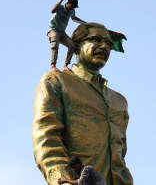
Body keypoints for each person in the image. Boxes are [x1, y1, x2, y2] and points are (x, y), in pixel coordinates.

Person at [33, 23, 133, 185]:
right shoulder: (55, 81)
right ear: (76, 46)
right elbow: (47, 143)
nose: (104, 47)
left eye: (108, 43)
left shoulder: (119, 101)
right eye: (96, 40)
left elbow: (121, 154)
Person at [47, 0, 86, 72]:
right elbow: (52, 10)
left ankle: (65, 66)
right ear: (67, 3)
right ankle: (53, 66)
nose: (71, 9)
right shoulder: (60, 7)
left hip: (62, 32)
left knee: (72, 45)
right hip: (53, 30)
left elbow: (74, 18)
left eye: (73, 8)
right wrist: (61, 0)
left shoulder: (72, 10)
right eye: (71, 7)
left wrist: (84, 23)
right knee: (55, 45)